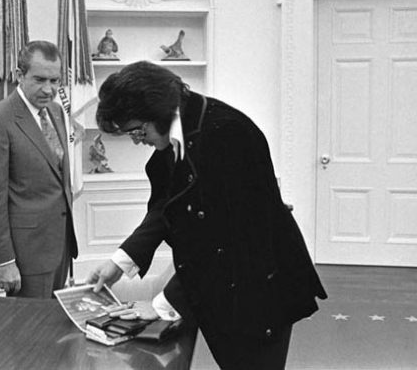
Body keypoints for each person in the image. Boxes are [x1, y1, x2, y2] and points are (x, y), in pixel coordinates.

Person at [87, 61, 327, 369]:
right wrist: (120, 261)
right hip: (221, 287)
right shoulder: (178, 129)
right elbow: (167, 205)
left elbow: (229, 241)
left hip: (258, 291)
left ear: (156, 110)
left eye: (137, 130)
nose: (136, 140)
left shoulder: (229, 134)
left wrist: (162, 304)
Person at [0, 40, 77, 298]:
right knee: (29, 333)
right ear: (20, 76)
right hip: (26, 255)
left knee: (54, 329)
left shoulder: (55, 111)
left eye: (55, 81)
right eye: (40, 79)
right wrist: (4, 261)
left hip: (60, 246)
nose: (49, 89)